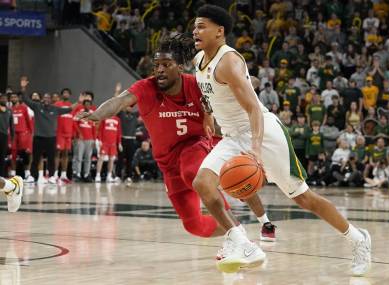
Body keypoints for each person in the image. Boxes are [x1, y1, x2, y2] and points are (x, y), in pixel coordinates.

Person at [192, 4, 371, 275]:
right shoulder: (198, 61)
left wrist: (254, 148)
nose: (195, 30)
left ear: (220, 32)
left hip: (263, 134)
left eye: (202, 26)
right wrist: (207, 115)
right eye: (195, 25)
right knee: (203, 183)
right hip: (232, 136)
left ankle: (358, 239)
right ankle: (242, 242)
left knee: (304, 199)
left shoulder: (229, 62)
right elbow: (209, 94)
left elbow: (253, 107)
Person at [76, 35, 276, 243]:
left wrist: (239, 80)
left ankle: (246, 233)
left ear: (179, 67)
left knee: (201, 172)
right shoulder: (146, 88)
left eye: (166, 64)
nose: (159, 69)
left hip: (198, 145)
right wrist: (97, 114)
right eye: (157, 65)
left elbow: (247, 81)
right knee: (193, 225)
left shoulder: (197, 84)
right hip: (168, 163)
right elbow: (119, 101)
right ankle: (236, 228)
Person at [20, 77, 74, 184]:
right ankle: (32, 176)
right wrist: (23, 88)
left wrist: (79, 102)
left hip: (51, 138)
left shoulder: (55, 109)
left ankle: (52, 177)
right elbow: (25, 99)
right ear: (42, 99)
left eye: (48, 98)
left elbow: (70, 109)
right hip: (38, 137)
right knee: (35, 158)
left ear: (51, 100)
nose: (46, 99)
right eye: (45, 97)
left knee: (51, 159)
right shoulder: (36, 106)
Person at [10, 92, 33, 182]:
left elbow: (29, 122)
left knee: (25, 154)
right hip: (13, 135)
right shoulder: (9, 109)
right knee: (13, 154)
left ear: (18, 98)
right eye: (12, 97)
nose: (13, 98)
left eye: (15, 97)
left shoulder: (24, 108)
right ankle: (13, 174)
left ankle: (27, 174)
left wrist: (30, 134)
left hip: (23, 135)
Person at [54, 88, 74, 183]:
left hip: (68, 134)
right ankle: (54, 174)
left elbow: (73, 121)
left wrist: (73, 134)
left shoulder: (71, 106)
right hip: (59, 133)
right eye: (64, 93)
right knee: (57, 153)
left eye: (67, 93)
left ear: (69, 95)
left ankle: (63, 175)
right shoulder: (57, 105)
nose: (66, 94)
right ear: (62, 95)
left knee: (66, 154)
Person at [95, 115, 122, 183]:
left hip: (113, 143)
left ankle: (109, 176)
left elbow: (119, 132)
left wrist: (119, 143)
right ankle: (98, 176)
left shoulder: (117, 119)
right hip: (104, 143)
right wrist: (100, 140)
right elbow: (100, 130)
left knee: (111, 159)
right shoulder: (104, 117)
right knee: (101, 158)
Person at [0, 93, 14, 177]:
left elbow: (11, 125)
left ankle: (1, 175)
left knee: (2, 157)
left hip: (4, 136)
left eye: (5, 99)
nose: (3, 100)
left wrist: (12, 137)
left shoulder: (9, 110)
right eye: (2, 98)